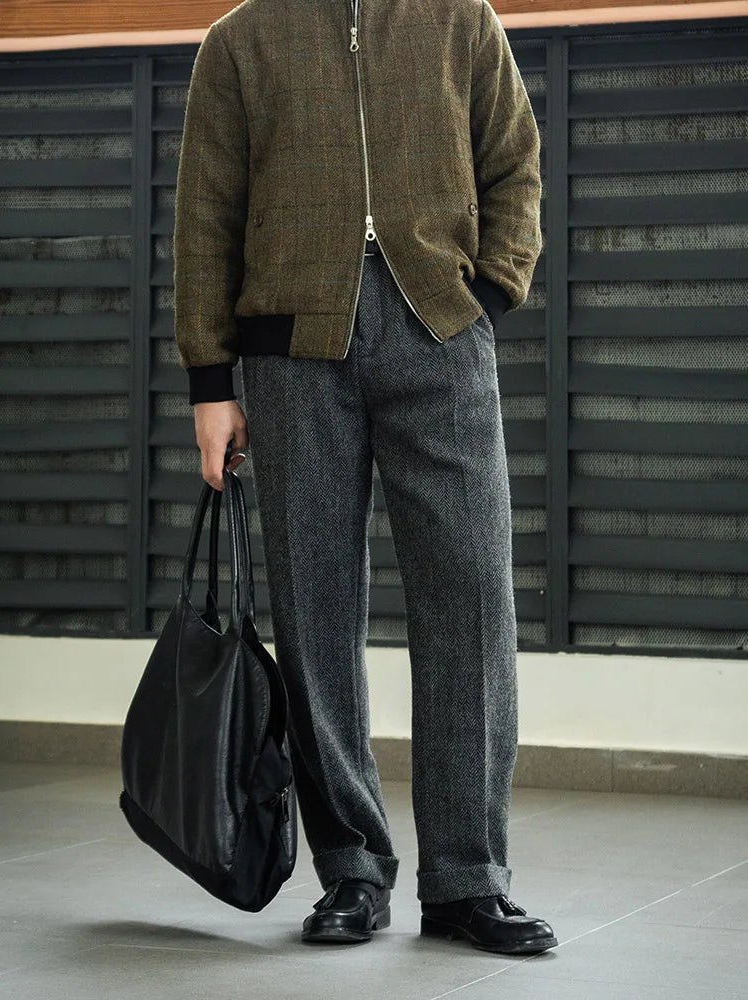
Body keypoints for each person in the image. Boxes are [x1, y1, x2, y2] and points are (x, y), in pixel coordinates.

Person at [173, 0, 557, 954]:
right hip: (292, 355)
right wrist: (210, 382)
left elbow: (514, 159)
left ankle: (469, 879)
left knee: (470, 602)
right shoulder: (239, 41)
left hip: (443, 333)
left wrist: (492, 288)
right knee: (315, 613)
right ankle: (350, 869)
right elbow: (206, 211)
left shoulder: (461, 19)